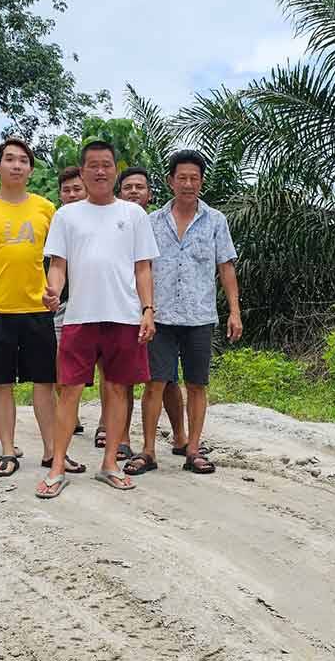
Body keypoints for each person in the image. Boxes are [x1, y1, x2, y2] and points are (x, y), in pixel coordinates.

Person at [36, 140, 158, 499]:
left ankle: (109, 463)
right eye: (93, 165)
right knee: (69, 390)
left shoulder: (134, 215)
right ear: (83, 170)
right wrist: (53, 291)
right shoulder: (66, 215)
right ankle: (58, 466)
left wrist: (148, 310)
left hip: (124, 315)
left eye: (107, 164)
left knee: (119, 388)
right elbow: (57, 265)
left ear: (116, 170)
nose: (100, 171)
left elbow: (143, 268)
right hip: (79, 316)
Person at [131, 150, 242, 477]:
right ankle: (148, 450)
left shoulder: (216, 221)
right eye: (182, 178)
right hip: (160, 317)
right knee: (154, 384)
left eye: (194, 178)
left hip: (199, 317)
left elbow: (226, 267)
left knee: (196, 384)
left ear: (201, 182)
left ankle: (193, 449)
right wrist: (146, 309)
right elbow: (143, 268)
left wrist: (234, 311)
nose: (188, 184)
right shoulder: (151, 222)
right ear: (170, 181)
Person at [0, 138, 62, 477]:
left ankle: (52, 453)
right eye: (9, 159)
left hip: (36, 309)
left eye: (23, 160)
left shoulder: (46, 209)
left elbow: (59, 259)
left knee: (45, 383)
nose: (16, 165)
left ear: (31, 169)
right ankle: (7, 450)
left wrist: (55, 291)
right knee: (0, 383)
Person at [117, 167, 189, 461]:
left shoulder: (160, 224)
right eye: (128, 187)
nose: (134, 192)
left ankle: (180, 437)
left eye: (140, 187)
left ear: (150, 194)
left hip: (158, 312)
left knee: (166, 377)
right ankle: (121, 438)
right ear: (119, 192)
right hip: (122, 309)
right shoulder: (114, 223)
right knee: (123, 377)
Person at [50, 167, 88, 437]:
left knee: (108, 373)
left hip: (99, 305)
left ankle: (104, 427)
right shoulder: (57, 221)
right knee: (61, 364)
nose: (72, 194)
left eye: (77, 188)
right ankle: (69, 416)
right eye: (67, 190)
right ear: (60, 194)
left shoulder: (103, 217)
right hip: (63, 305)